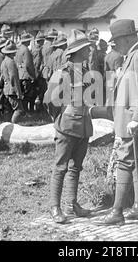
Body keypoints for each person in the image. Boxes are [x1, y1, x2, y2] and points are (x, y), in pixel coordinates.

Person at [93, 19, 138, 225]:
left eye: (116, 41)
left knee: (124, 162)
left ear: (127, 38)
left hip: (136, 122)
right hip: (135, 121)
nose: (115, 46)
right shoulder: (134, 55)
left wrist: (136, 119)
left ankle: (117, 212)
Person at [44, 29, 93, 223]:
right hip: (67, 125)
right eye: (86, 49)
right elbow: (50, 100)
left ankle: (71, 204)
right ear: (77, 51)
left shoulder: (87, 72)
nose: (89, 51)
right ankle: (54, 207)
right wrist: (60, 119)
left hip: (83, 126)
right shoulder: (62, 73)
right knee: (60, 167)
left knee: (76, 167)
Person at [1, 40, 25, 123]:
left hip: (7, 89)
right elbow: (13, 78)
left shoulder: (4, 61)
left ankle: (8, 124)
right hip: (12, 89)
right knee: (19, 110)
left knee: (9, 109)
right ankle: (13, 125)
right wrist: (18, 92)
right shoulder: (11, 62)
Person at [15, 31, 36, 113]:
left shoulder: (19, 49)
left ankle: (24, 112)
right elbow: (28, 65)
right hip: (26, 75)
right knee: (27, 95)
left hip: (20, 75)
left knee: (23, 94)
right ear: (27, 41)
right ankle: (26, 112)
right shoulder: (26, 50)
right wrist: (32, 76)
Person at [32, 31, 47, 111]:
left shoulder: (34, 49)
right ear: (41, 41)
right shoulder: (39, 50)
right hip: (38, 74)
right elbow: (38, 63)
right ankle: (39, 109)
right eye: (43, 41)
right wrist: (39, 73)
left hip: (33, 72)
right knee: (40, 92)